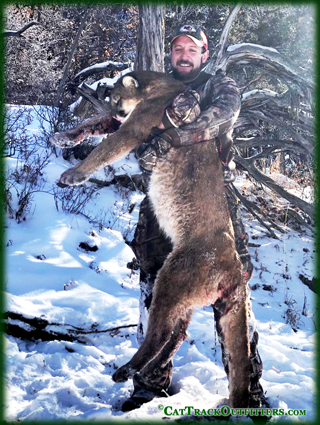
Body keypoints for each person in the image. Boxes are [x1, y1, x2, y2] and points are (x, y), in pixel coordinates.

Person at [123, 24, 265, 412]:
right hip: (162, 211)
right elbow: (139, 151)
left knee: (233, 299)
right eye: (177, 48)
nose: (183, 55)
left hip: (212, 212)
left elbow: (223, 115)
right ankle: (149, 385)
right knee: (155, 296)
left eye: (192, 49)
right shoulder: (153, 94)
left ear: (204, 54)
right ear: (170, 55)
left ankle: (248, 392)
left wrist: (171, 132)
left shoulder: (219, 86)